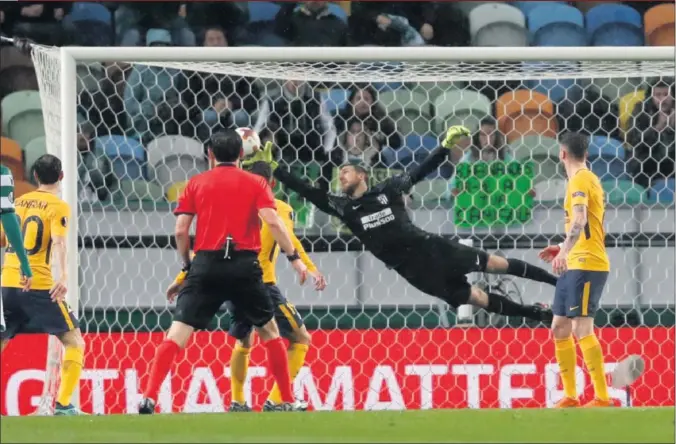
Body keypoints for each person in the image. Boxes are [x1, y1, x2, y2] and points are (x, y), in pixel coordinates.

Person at [248, 126, 557, 322]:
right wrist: (277, 169)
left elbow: (419, 172)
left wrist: (444, 147)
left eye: (347, 172)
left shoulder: (387, 190)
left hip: (435, 249)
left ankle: (558, 283)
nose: (341, 176)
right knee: (478, 298)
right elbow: (309, 192)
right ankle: (537, 315)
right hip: (414, 272)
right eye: (340, 173)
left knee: (498, 265)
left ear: (362, 176)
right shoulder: (343, 207)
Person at [138, 131, 309, 414]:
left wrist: (187, 267)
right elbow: (274, 224)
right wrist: (294, 259)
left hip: (206, 264)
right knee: (270, 332)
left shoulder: (195, 183)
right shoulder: (256, 183)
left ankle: (149, 397)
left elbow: (180, 230)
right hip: (244, 266)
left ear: (210, 155)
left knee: (177, 334)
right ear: (242, 155)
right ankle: (286, 398)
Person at [167, 159, 327, 412]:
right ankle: (278, 400)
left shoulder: (232, 206)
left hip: (231, 280)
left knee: (244, 340)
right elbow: (289, 240)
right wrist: (306, 266)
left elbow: (209, 247)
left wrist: (181, 278)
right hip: (261, 284)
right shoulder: (281, 209)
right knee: (300, 338)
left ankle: (238, 400)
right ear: (272, 183)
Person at [0, 155, 85, 415]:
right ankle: (63, 404)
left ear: (35, 176)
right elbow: (59, 242)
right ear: (61, 176)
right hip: (37, 285)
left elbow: (5, 239)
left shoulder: (18, 202)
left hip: (8, 283)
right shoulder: (58, 206)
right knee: (74, 341)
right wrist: (64, 276)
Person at [538, 132, 612, 408]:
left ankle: (602, 397)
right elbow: (586, 225)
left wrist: (565, 251)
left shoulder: (580, 179)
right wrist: (562, 246)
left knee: (582, 327)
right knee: (559, 327)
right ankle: (570, 395)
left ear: (561, 154)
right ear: (587, 153)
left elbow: (580, 218)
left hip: (587, 263)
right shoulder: (584, 178)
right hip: (575, 260)